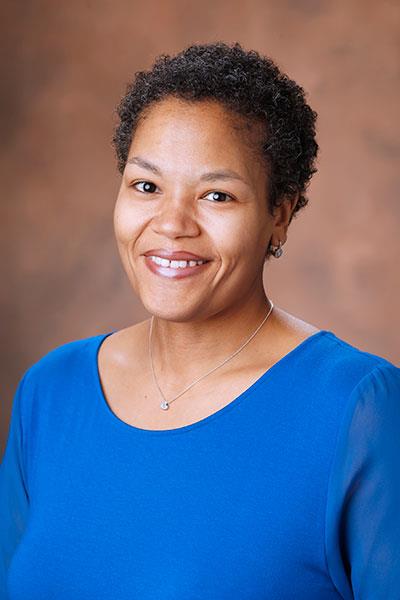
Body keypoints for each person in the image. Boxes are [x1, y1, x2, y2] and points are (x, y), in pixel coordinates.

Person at [1, 41, 399, 600]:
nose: (172, 224)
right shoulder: (51, 391)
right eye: (147, 186)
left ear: (279, 215)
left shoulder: (359, 408)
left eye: (217, 195)